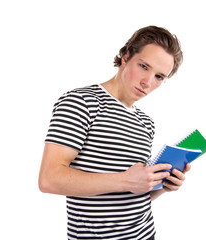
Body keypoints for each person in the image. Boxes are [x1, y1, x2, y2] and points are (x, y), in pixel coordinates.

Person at [39, 25, 190, 240]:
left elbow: (131, 196)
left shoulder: (146, 123)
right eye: (144, 66)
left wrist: (161, 186)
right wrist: (126, 180)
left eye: (159, 76)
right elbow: (49, 179)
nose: (148, 82)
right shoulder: (81, 102)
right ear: (126, 56)